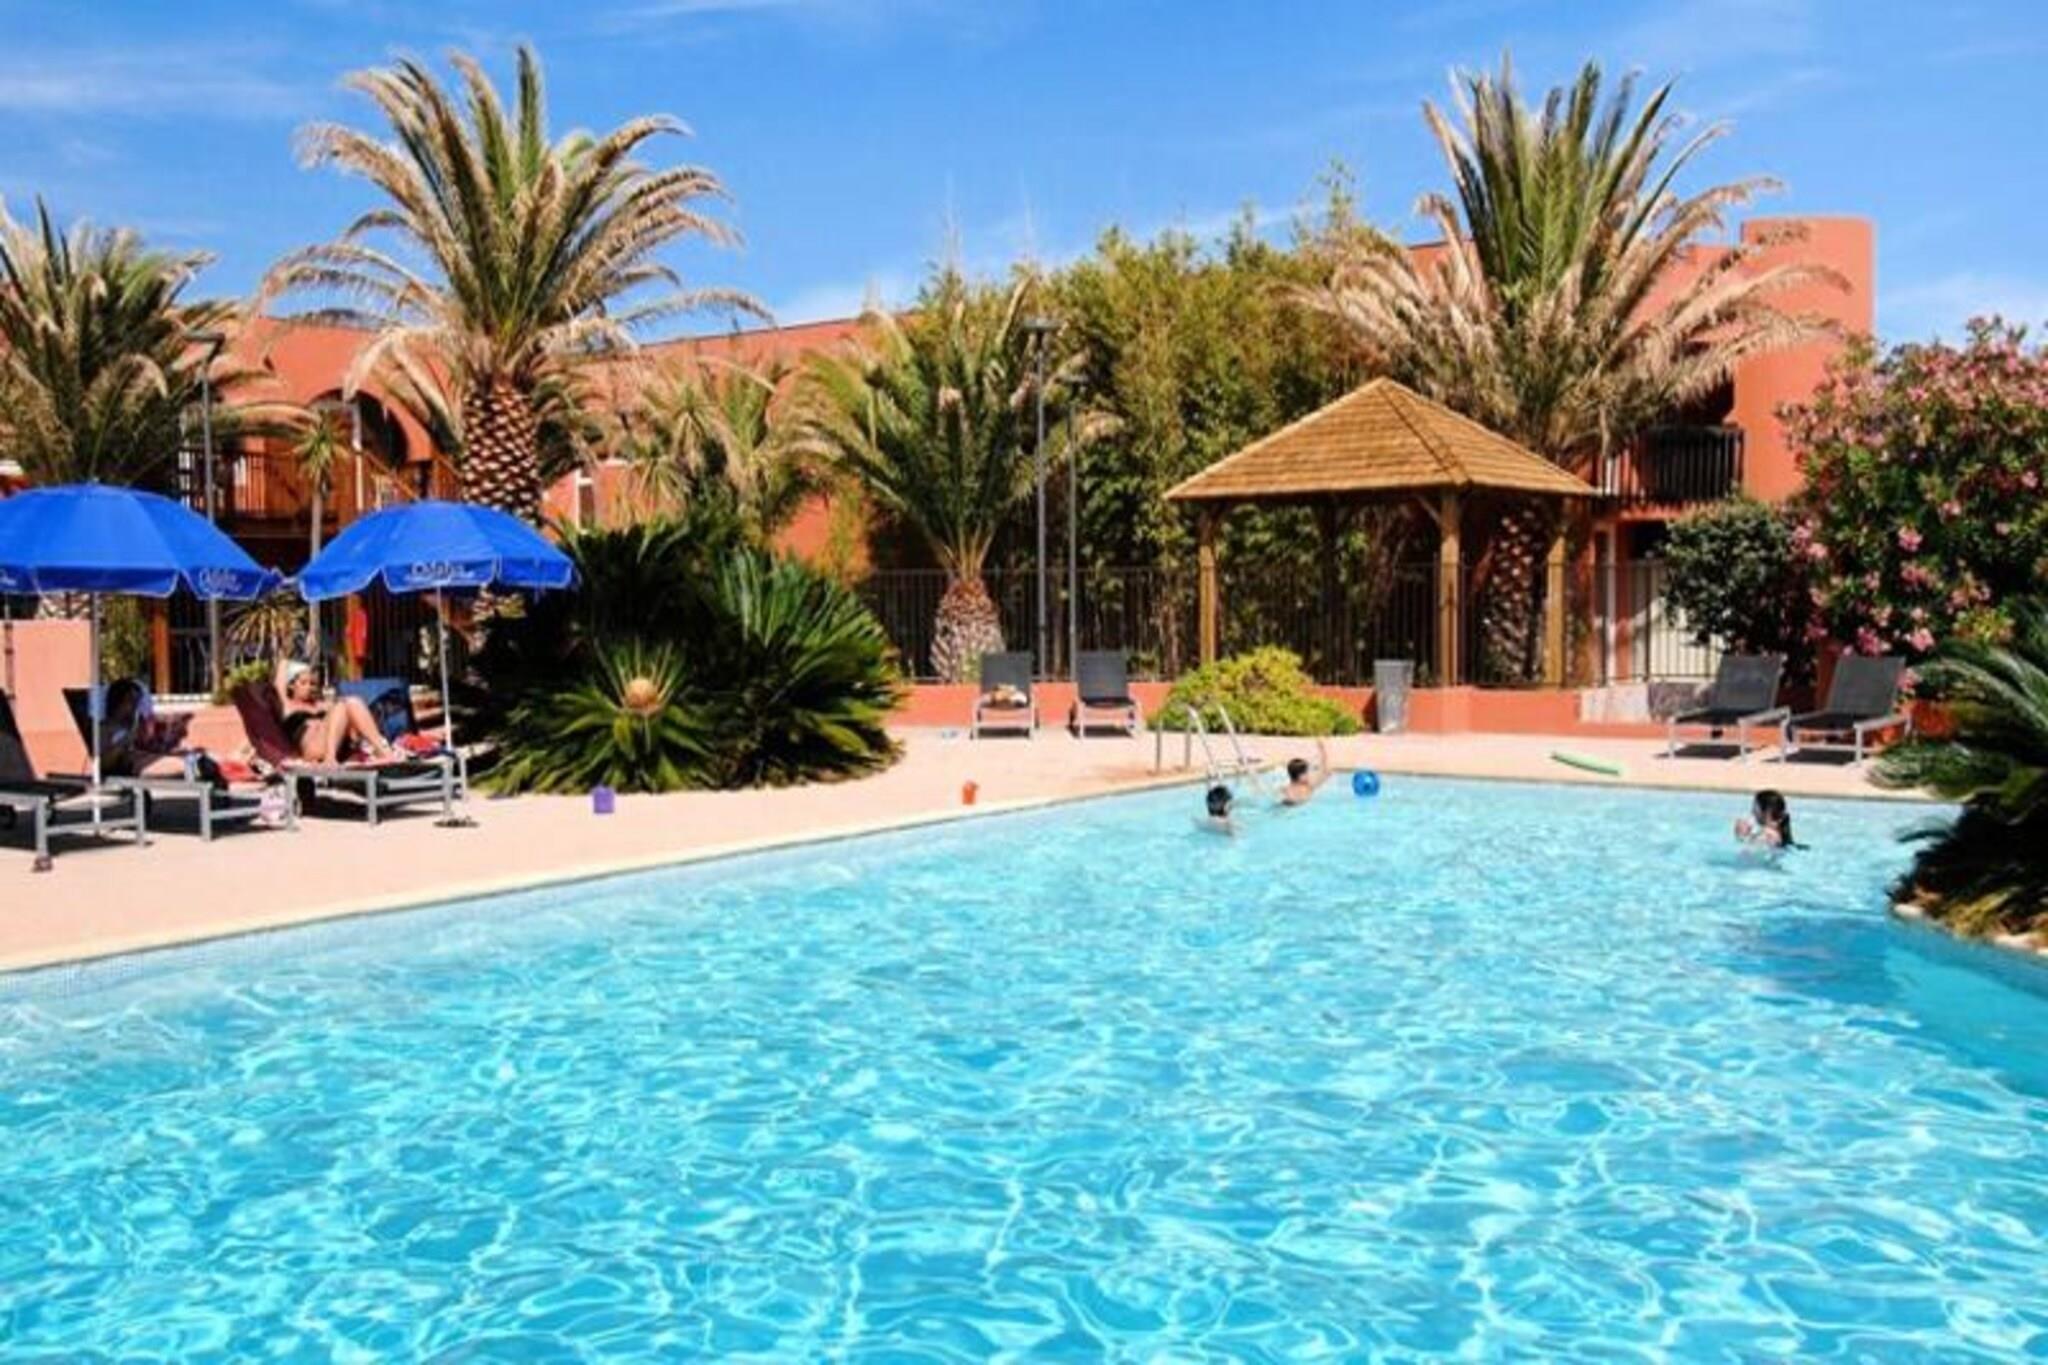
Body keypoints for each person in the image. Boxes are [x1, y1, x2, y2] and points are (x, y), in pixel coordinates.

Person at [274, 659, 399, 765]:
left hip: (339, 744)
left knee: (353, 701)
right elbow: (280, 673)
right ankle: (330, 758)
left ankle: (383, 751)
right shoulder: (288, 705)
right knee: (341, 706)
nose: (309, 687)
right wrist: (294, 655)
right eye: (303, 683)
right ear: (291, 685)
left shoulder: (320, 704)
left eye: (312, 684)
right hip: (313, 748)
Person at [1735, 789, 1802, 852]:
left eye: (1755, 808)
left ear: (1767, 812)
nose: (1752, 812)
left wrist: (1742, 836)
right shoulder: (1777, 835)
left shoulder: (1768, 835)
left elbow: (1747, 855)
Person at [1278, 738, 1332, 807]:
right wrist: (1323, 751)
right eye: (1307, 772)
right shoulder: (1307, 788)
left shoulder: (1284, 789)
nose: (1309, 775)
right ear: (1301, 776)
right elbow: (1326, 772)